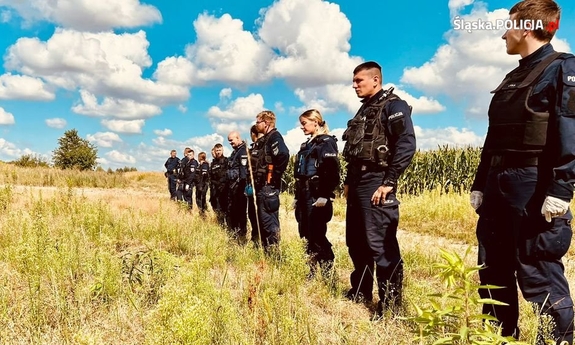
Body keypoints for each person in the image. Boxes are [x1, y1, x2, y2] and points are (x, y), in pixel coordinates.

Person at [469, 1, 575, 343]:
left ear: (527, 28)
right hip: (498, 184)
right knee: (492, 266)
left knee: (537, 266)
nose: (503, 33)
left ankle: (556, 339)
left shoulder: (563, 69)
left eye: (509, 26)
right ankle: (499, 337)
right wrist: (480, 183)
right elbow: (493, 135)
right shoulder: (513, 75)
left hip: (533, 184)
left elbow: (570, 131)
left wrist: (560, 189)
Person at [342, 61, 416, 317]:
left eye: (359, 81)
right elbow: (356, 152)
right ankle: (360, 291)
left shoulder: (393, 106)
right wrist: (349, 183)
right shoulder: (364, 111)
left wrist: (389, 182)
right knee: (356, 242)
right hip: (359, 184)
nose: (354, 86)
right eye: (353, 81)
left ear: (376, 80)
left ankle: (391, 308)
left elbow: (406, 145)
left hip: (378, 181)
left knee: (381, 245)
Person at [294, 109, 339, 277]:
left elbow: (332, 170)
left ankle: (328, 275)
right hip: (304, 194)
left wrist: (325, 195)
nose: (302, 127)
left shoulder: (326, 142)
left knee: (318, 234)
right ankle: (311, 272)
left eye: (304, 123)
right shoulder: (307, 145)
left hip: (316, 195)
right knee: (305, 232)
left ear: (316, 122)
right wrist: (297, 197)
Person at [250, 110, 289, 252]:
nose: (256, 125)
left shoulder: (274, 137)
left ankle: (274, 253)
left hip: (269, 188)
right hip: (262, 187)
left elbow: (283, 155)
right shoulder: (265, 139)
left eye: (258, 122)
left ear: (266, 123)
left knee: (269, 223)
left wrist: (274, 177)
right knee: (262, 221)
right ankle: (267, 251)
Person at [226, 131, 249, 243]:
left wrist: (242, 187)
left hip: (239, 187)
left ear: (238, 138)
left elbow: (243, 171)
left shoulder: (242, 151)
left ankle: (242, 234)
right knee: (233, 210)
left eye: (231, 140)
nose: (230, 143)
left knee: (240, 211)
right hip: (233, 186)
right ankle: (235, 232)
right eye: (229, 141)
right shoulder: (235, 152)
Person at [247, 125, 264, 246]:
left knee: (260, 216)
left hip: (262, 187)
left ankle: (262, 241)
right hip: (251, 186)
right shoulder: (252, 148)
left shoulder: (263, 147)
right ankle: (255, 238)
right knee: (252, 214)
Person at [209, 143, 229, 227]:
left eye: (219, 150)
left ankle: (228, 227)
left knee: (225, 210)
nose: (218, 152)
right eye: (216, 150)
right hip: (215, 190)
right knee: (216, 209)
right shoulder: (213, 163)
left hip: (224, 190)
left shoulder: (226, 161)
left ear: (222, 150)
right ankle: (220, 226)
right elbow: (210, 176)